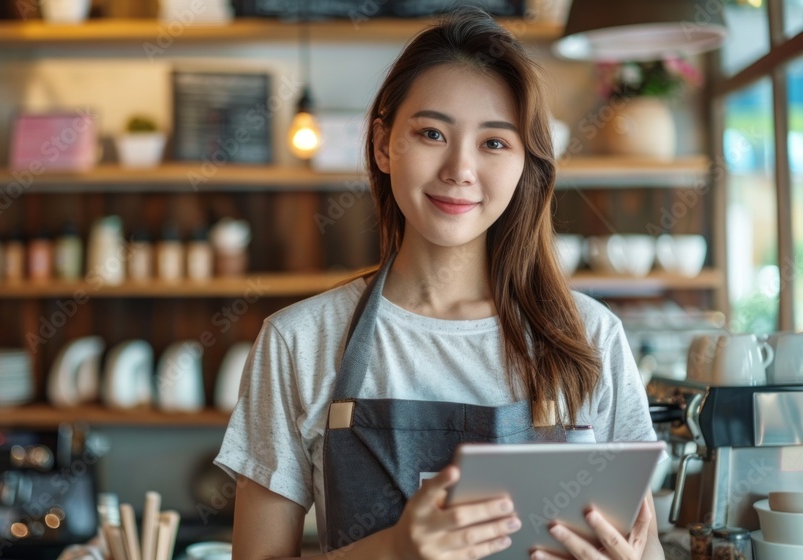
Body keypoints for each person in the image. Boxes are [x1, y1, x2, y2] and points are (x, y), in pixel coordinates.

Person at [215, 7, 664, 560]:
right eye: (431, 133)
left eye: (494, 143)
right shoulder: (298, 342)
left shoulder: (592, 337)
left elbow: (647, 547)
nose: (459, 168)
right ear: (383, 145)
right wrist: (396, 549)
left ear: (526, 163)